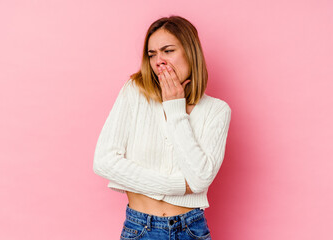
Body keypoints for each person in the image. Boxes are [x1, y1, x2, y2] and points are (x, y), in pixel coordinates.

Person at [93, 15, 232, 240]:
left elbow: (199, 180)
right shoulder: (135, 92)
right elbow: (103, 161)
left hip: (191, 230)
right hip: (140, 228)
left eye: (168, 51)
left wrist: (175, 108)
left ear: (190, 51)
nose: (159, 61)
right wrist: (177, 185)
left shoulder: (217, 110)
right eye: (152, 54)